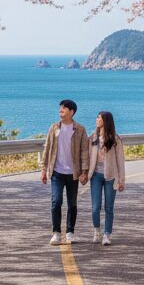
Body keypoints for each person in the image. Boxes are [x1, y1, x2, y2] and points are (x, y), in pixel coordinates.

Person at [40, 99, 89, 245]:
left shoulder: (80, 129)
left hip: (73, 173)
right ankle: (56, 233)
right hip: (57, 172)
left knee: (72, 204)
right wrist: (43, 169)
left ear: (71, 112)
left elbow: (84, 151)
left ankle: (70, 232)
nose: (61, 111)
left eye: (64, 109)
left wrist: (84, 171)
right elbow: (47, 148)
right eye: (60, 108)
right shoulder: (54, 127)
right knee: (56, 202)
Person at [89, 110, 125, 246]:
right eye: (97, 117)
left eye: (99, 117)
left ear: (106, 121)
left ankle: (106, 234)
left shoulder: (115, 139)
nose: (97, 119)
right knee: (95, 207)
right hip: (96, 176)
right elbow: (87, 157)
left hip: (111, 176)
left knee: (109, 207)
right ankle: (97, 231)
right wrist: (85, 173)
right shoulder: (93, 137)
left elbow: (120, 161)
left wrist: (121, 180)